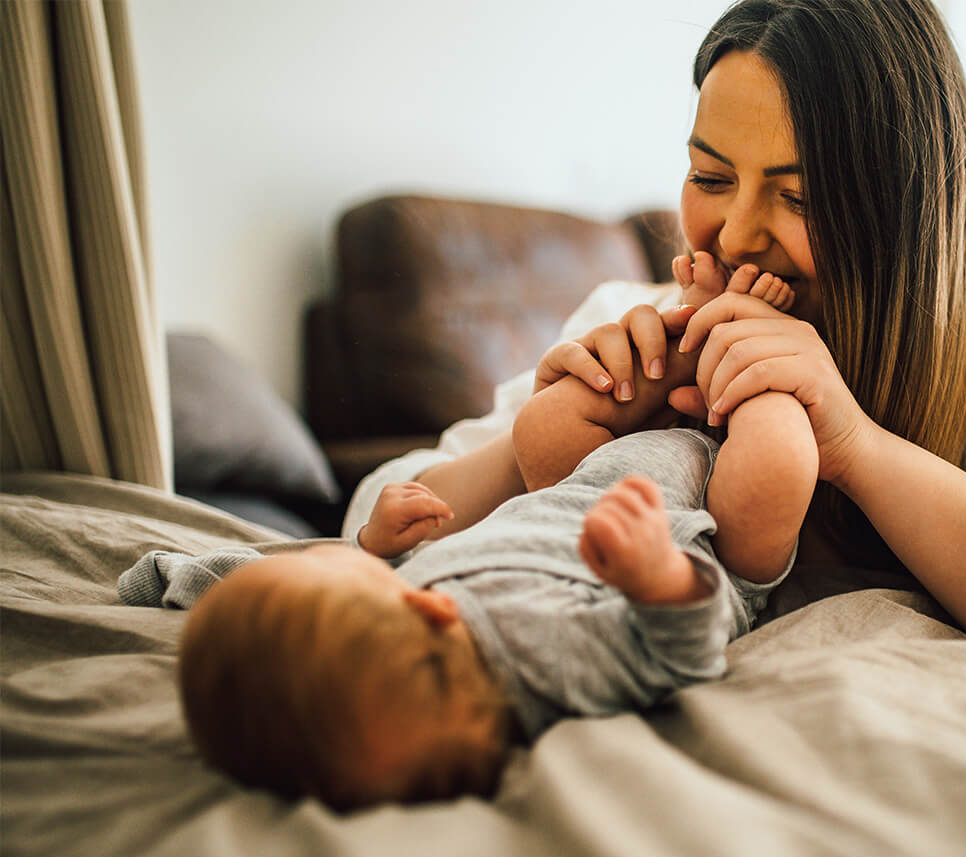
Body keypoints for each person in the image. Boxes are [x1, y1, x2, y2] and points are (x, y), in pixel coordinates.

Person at [345, 0, 966, 675]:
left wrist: (855, 447)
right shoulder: (628, 312)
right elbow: (374, 518)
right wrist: (547, 441)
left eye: (801, 196)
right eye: (709, 174)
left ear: (907, 214)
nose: (734, 234)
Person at [123, 262, 815, 811]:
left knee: (541, 425)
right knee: (775, 464)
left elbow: (256, 577)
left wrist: (373, 543)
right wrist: (656, 579)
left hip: (573, 489)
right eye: (360, 575)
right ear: (424, 609)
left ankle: (690, 331)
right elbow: (678, 655)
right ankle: (747, 338)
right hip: (709, 543)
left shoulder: (393, 616)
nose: (353, 566)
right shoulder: (548, 665)